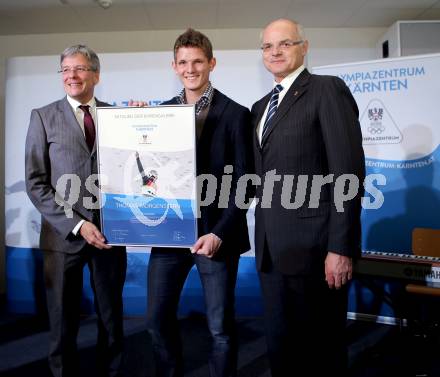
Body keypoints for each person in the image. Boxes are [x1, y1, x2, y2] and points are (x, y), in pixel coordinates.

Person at [251, 19, 365, 376]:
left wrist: (340, 248)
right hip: (271, 250)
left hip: (317, 253)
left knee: (321, 350)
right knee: (282, 347)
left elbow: (347, 174)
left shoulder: (326, 90)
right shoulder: (258, 108)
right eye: (268, 46)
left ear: (304, 47)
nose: (275, 52)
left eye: (285, 43)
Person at [146, 28, 253, 377]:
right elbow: (149, 177)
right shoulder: (158, 115)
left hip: (216, 237)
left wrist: (220, 233)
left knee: (220, 328)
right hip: (168, 237)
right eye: (183, 62)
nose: (190, 69)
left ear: (211, 63)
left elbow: (245, 183)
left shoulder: (236, 114)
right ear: (174, 66)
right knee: (156, 320)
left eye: (197, 62)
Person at [25, 44, 127, 377]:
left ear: (95, 74)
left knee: (111, 319)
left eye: (80, 68)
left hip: (111, 234)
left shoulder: (117, 116)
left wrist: (143, 120)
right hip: (62, 238)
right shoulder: (42, 116)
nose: (72, 75)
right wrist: (78, 225)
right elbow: (36, 183)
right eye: (66, 69)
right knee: (62, 321)